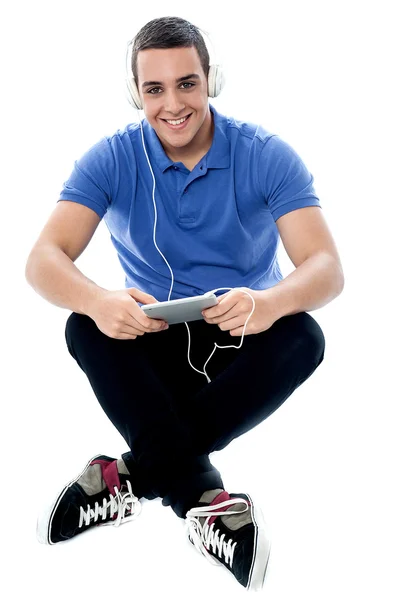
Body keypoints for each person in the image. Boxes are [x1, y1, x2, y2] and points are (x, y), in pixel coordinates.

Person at [25, 15, 344, 591]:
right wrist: (100, 300)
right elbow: (43, 258)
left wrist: (269, 304)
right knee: (84, 326)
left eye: (187, 83)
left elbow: (326, 267)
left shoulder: (266, 154)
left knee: (305, 337)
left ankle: (128, 477)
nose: (173, 104)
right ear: (136, 94)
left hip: (242, 329)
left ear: (209, 81)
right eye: (155, 89)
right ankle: (208, 503)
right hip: (155, 338)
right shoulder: (112, 158)